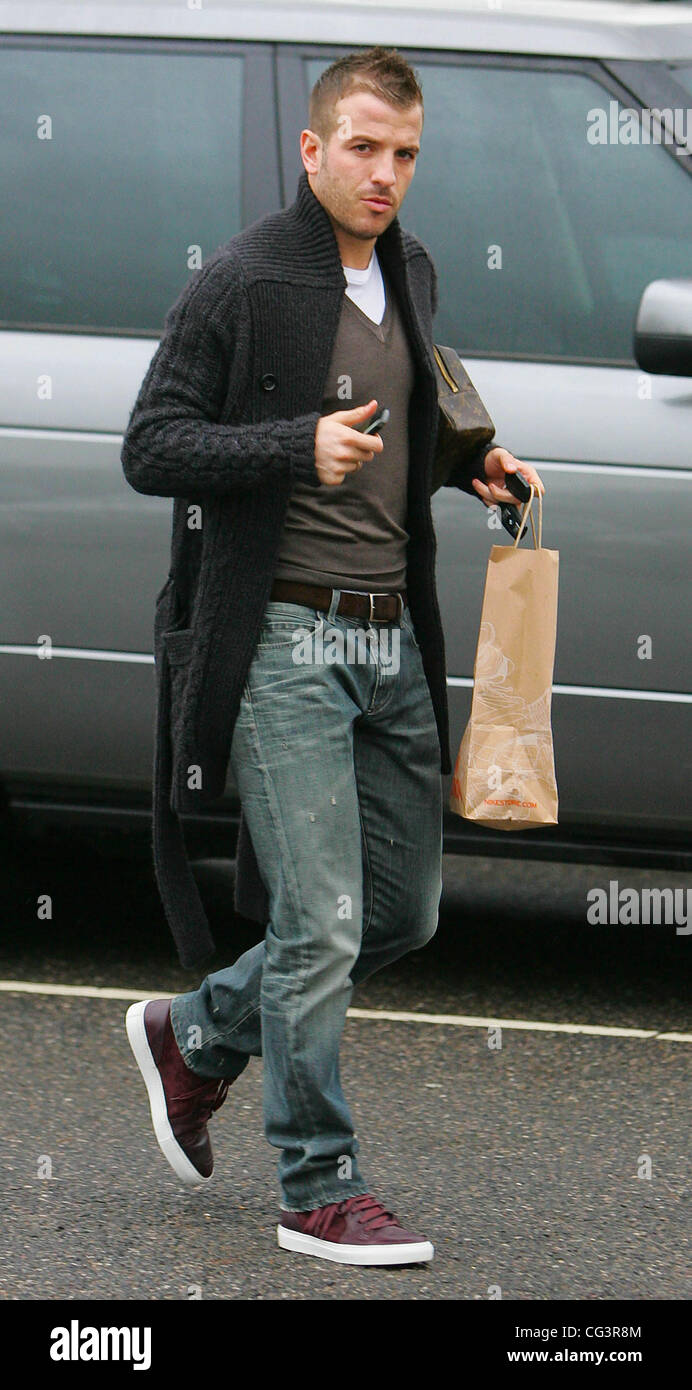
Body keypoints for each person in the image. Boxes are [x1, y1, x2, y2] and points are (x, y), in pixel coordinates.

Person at [122, 46, 544, 1268]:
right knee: (322, 918)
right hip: (287, 639)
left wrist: (472, 466)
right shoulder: (244, 282)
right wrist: (287, 449)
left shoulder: (407, 267)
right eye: (361, 147)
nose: (383, 173)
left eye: (403, 152)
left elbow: (401, 421)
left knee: (397, 911)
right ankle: (317, 1183)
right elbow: (154, 443)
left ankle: (193, 1036)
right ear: (311, 150)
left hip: (391, 636)